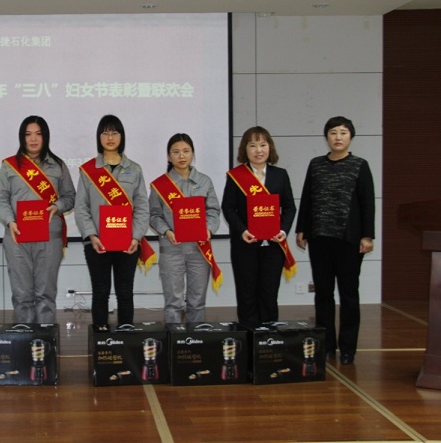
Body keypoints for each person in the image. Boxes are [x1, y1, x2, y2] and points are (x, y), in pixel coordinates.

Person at [295, 116, 375, 365]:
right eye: (333, 133)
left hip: (349, 240)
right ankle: (326, 344)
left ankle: (348, 348)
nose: (338, 137)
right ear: (326, 137)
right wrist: (301, 229)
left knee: (349, 294)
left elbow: (368, 203)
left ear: (350, 136)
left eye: (343, 132)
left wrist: (367, 235)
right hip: (320, 238)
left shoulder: (359, 165)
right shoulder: (316, 164)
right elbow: (307, 198)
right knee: (323, 294)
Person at [0, 116, 75, 323]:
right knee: (22, 295)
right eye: (28, 134)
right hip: (17, 236)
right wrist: (10, 221)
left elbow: (70, 197)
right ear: (22, 137)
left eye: (38, 134)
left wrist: (57, 206)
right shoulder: (10, 166)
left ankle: (45, 338)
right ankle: (25, 336)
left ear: (45, 137)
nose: (33, 139)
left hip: (49, 237)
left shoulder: (58, 165)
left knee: (46, 294)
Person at [75, 115, 154, 329]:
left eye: (114, 132)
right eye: (105, 133)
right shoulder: (88, 170)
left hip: (128, 243)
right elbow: (81, 206)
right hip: (96, 243)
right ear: (99, 137)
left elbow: (142, 206)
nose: (110, 137)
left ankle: (125, 338)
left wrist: (135, 237)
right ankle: (101, 340)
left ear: (122, 136)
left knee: (125, 292)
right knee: (100, 292)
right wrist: (92, 235)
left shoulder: (134, 169)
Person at [221, 126, 297, 329]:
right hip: (245, 245)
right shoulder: (236, 176)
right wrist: (242, 231)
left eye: (263, 145)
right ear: (245, 149)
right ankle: (248, 337)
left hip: (273, 245)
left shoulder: (280, 175)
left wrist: (283, 230)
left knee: (269, 293)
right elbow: (228, 208)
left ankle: (268, 339)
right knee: (246, 293)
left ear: (270, 147)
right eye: (252, 145)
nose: (258, 150)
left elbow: (289, 207)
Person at [149, 133, 221, 324]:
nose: (181, 156)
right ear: (168, 156)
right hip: (171, 248)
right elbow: (153, 215)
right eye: (176, 152)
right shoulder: (160, 185)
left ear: (192, 153)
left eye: (186, 151)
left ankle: (195, 338)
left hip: (199, 249)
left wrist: (208, 229)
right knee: (173, 303)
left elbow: (213, 210)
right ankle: (174, 338)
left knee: (197, 302)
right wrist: (167, 231)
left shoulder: (204, 181)